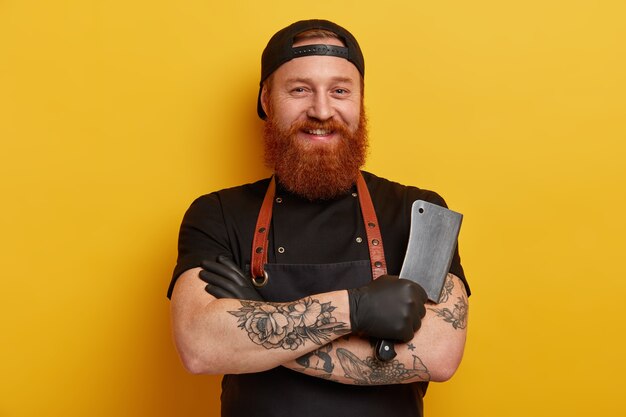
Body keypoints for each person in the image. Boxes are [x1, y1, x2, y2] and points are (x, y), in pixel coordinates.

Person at [168, 19, 470, 417]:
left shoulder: (422, 213)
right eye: (299, 90)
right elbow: (201, 345)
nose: (322, 110)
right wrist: (356, 309)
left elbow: (438, 353)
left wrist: (259, 317)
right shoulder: (216, 214)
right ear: (266, 99)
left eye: (340, 91)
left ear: (360, 101)